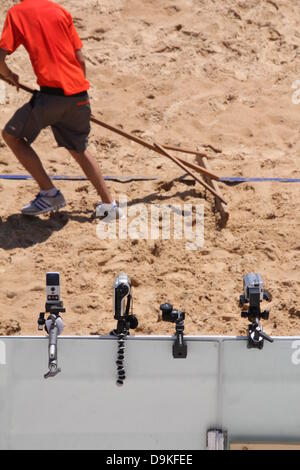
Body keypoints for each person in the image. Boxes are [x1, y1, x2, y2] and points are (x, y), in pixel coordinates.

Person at [0, 0, 118, 218]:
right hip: (79, 94)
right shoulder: (60, 11)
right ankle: (109, 205)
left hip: (52, 97)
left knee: (11, 136)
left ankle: (49, 192)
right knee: (79, 148)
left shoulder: (17, 13)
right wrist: (80, 97)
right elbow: (80, 60)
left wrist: (7, 74)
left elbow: (0, 57)